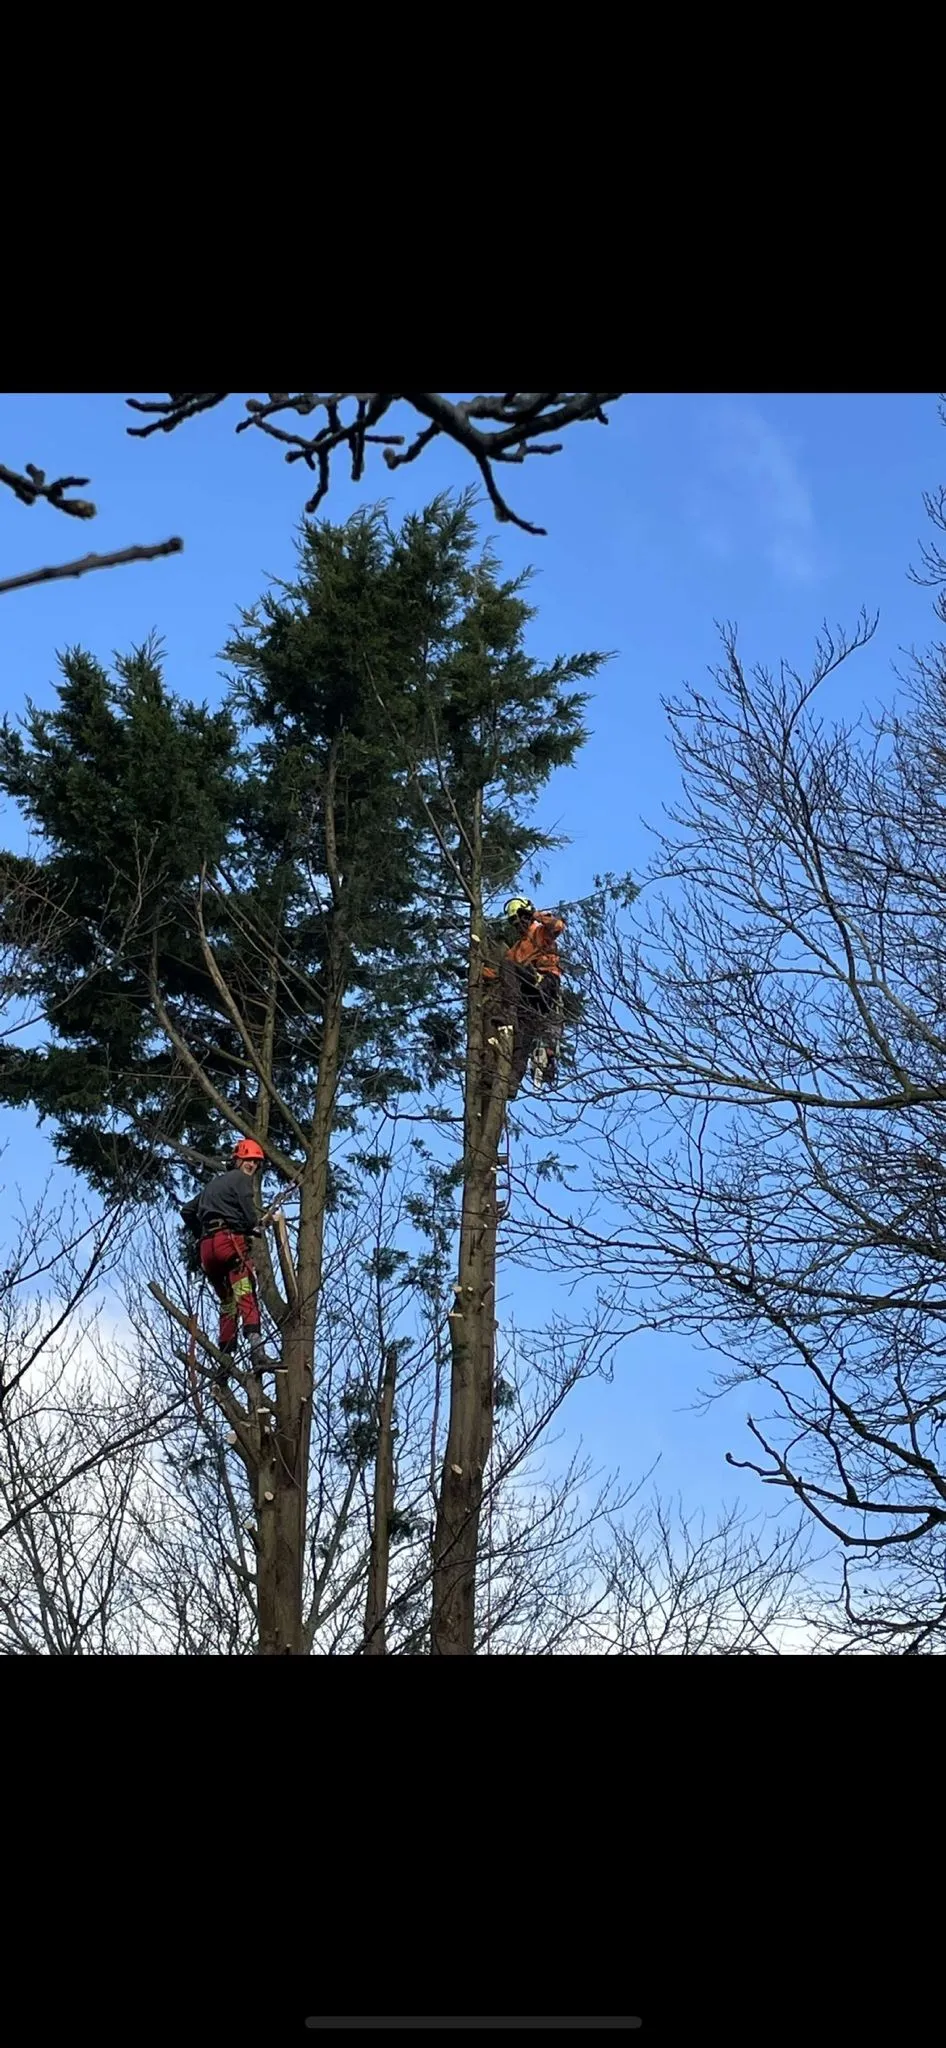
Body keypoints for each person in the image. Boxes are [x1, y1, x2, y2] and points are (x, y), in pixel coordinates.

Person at [181, 1137, 282, 1379]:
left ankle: (224, 1360)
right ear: (237, 1160)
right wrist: (253, 1226)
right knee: (246, 1294)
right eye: (249, 1161)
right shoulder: (241, 1180)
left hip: (208, 1252)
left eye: (255, 1163)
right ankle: (258, 1353)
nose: (252, 1166)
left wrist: (201, 1234)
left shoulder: (212, 1185)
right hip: (229, 1245)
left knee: (228, 1302)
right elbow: (248, 1214)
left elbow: (187, 1211)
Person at [485, 896, 566, 1094]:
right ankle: (510, 1085)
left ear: (527, 916)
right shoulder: (515, 951)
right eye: (514, 922)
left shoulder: (539, 932)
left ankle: (509, 1012)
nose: (518, 925)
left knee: (509, 967)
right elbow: (499, 975)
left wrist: (536, 915)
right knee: (522, 1039)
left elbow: (558, 926)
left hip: (545, 983)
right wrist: (476, 971)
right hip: (530, 999)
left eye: (521, 919)